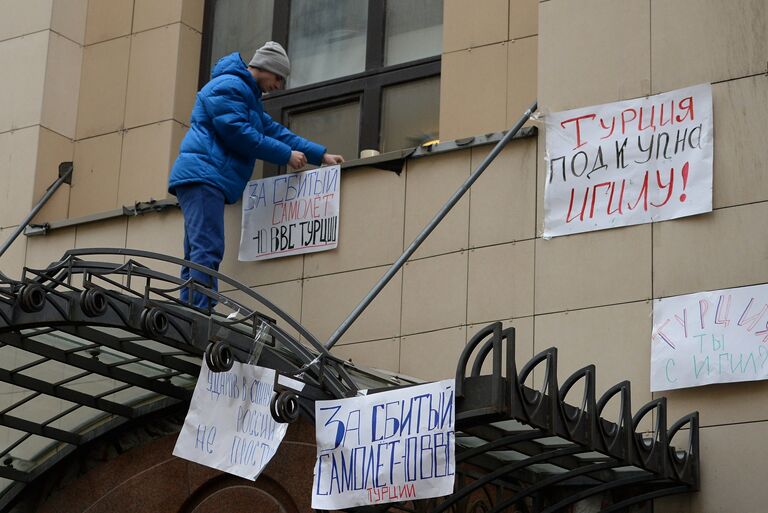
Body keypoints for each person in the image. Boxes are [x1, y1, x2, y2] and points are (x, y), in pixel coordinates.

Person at [168, 42, 344, 309]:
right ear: (267, 68)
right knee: (207, 246)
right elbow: (240, 134)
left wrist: (321, 156)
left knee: (198, 247)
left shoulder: (245, 95)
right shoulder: (230, 86)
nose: (279, 85)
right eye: (279, 77)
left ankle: (192, 307)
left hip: (203, 176)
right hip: (205, 176)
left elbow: (276, 132)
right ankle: (198, 311)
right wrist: (286, 155)